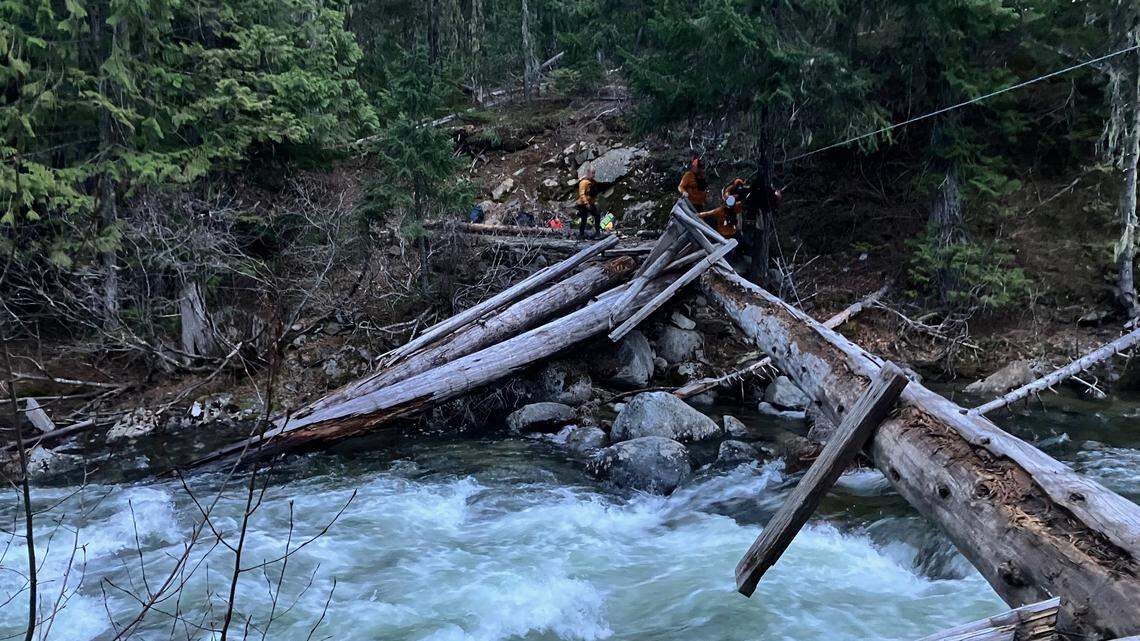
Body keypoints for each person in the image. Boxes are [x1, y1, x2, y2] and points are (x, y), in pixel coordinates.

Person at [576, 167, 600, 239]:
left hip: (590, 203)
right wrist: (586, 203)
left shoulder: (592, 182)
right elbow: (582, 194)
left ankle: (597, 233)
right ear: (588, 173)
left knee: (597, 216)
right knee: (584, 219)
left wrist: (594, 202)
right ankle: (581, 234)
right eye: (592, 173)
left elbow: (593, 193)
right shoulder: (583, 182)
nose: (593, 175)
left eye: (594, 173)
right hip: (583, 204)